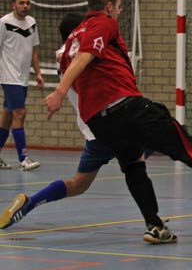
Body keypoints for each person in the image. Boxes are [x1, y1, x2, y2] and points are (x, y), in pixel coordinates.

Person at [43, 0, 192, 236]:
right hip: (127, 108)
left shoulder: (71, 41)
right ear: (109, 7)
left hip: (100, 122)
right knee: (186, 148)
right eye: (119, 6)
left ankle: (155, 226)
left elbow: (78, 67)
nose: (120, 11)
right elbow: (86, 56)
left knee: (133, 164)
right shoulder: (103, 23)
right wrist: (59, 92)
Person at [0, 13, 176, 244]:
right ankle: (154, 224)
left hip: (93, 134)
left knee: (78, 184)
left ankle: (30, 202)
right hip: (109, 125)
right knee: (152, 148)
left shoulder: (63, 56)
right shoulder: (79, 57)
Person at [0, 0, 43, 171]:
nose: (25, 6)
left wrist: (38, 73)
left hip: (23, 78)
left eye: (27, 3)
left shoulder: (32, 23)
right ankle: (23, 159)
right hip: (8, 77)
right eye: (21, 3)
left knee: (7, 116)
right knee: (20, 113)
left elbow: (34, 50)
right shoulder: (4, 23)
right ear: (13, 5)